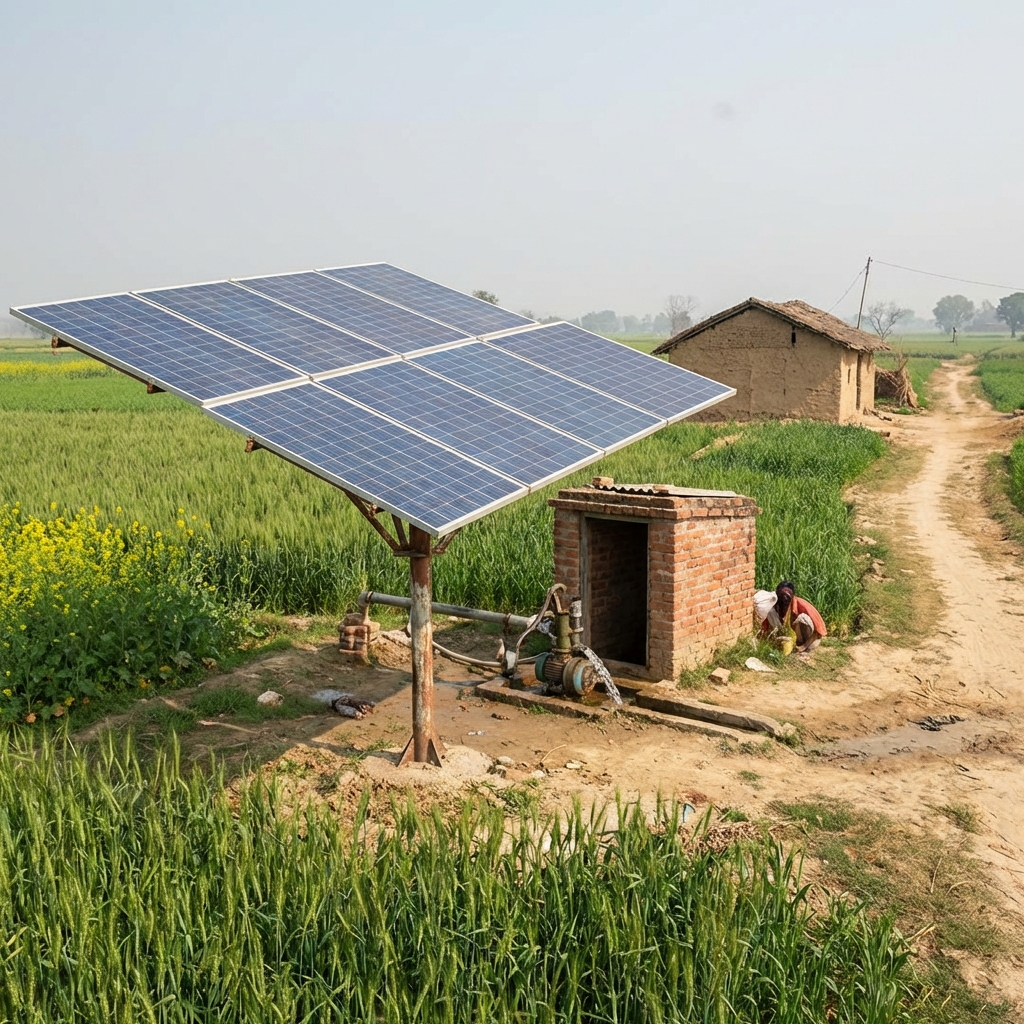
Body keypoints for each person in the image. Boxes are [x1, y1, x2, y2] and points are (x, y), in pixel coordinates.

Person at [759, 580, 827, 653]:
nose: (784, 599)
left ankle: (802, 644)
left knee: (802, 618)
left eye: (787, 596)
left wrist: (803, 646)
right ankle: (794, 642)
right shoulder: (775, 603)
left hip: (811, 640)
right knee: (771, 612)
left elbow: (820, 632)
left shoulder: (803, 605)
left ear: (792, 596)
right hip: (793, 637)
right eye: (781, 596)